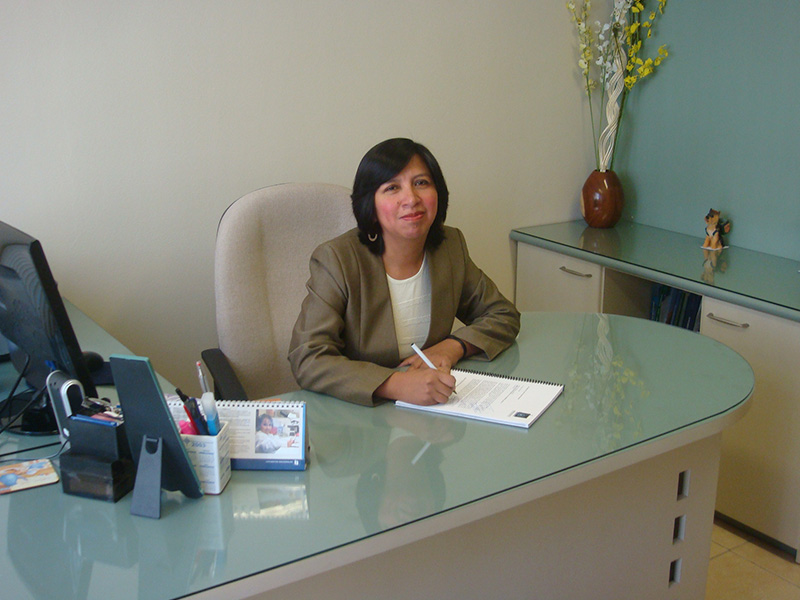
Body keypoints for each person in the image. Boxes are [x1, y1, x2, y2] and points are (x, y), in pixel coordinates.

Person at [288, 138, 520, 407]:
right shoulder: (338, 259)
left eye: (421, 183)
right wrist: (395, 384)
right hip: (359, 413)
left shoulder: (450, 247)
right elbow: (308, 356)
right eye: (392, 188)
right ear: (370, 204)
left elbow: (502, 314)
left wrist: (452, 347)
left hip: (433, 409)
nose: (411, 199)